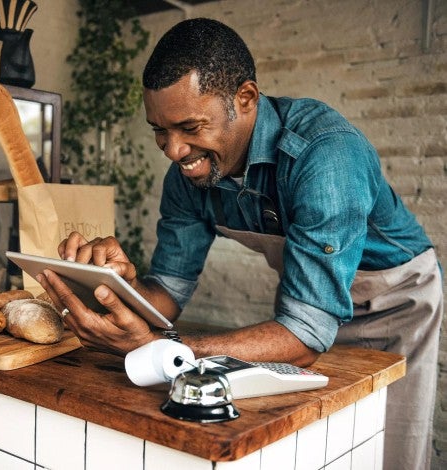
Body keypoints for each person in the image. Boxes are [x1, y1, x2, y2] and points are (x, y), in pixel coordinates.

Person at [36, 18, 442, 470]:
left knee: (390, 444)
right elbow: (167, 294)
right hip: (305, 304)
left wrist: (162, 348)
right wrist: (117, 287)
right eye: (159, 130)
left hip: (397, 301)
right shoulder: (189, 175)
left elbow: (304, 335)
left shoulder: (324, 156)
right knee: (318, 441)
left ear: (244, 99)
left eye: (190, 126)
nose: (173, 151)